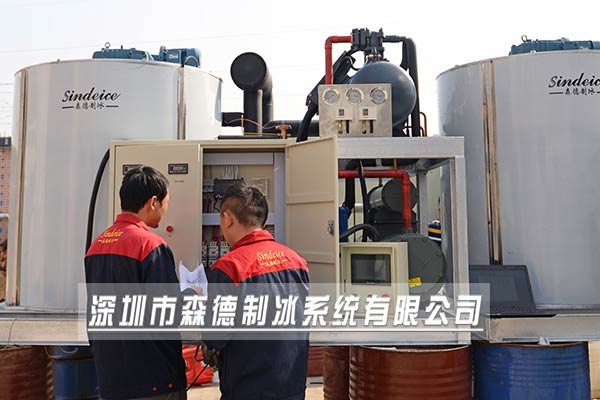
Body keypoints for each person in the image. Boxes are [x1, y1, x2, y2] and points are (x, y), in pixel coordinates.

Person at [85, 166, 187, 400]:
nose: (166, 209)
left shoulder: (96, 246)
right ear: (153, 202)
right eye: (166, 202)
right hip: (154, 380)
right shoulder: (150, 246)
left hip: (111, 379)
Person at [203, 182, 310, 400]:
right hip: (292, 389)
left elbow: (215, 337)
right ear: (264, 220)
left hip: (247, 390)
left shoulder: (229, 267)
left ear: (227, 218)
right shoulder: (296, 261)